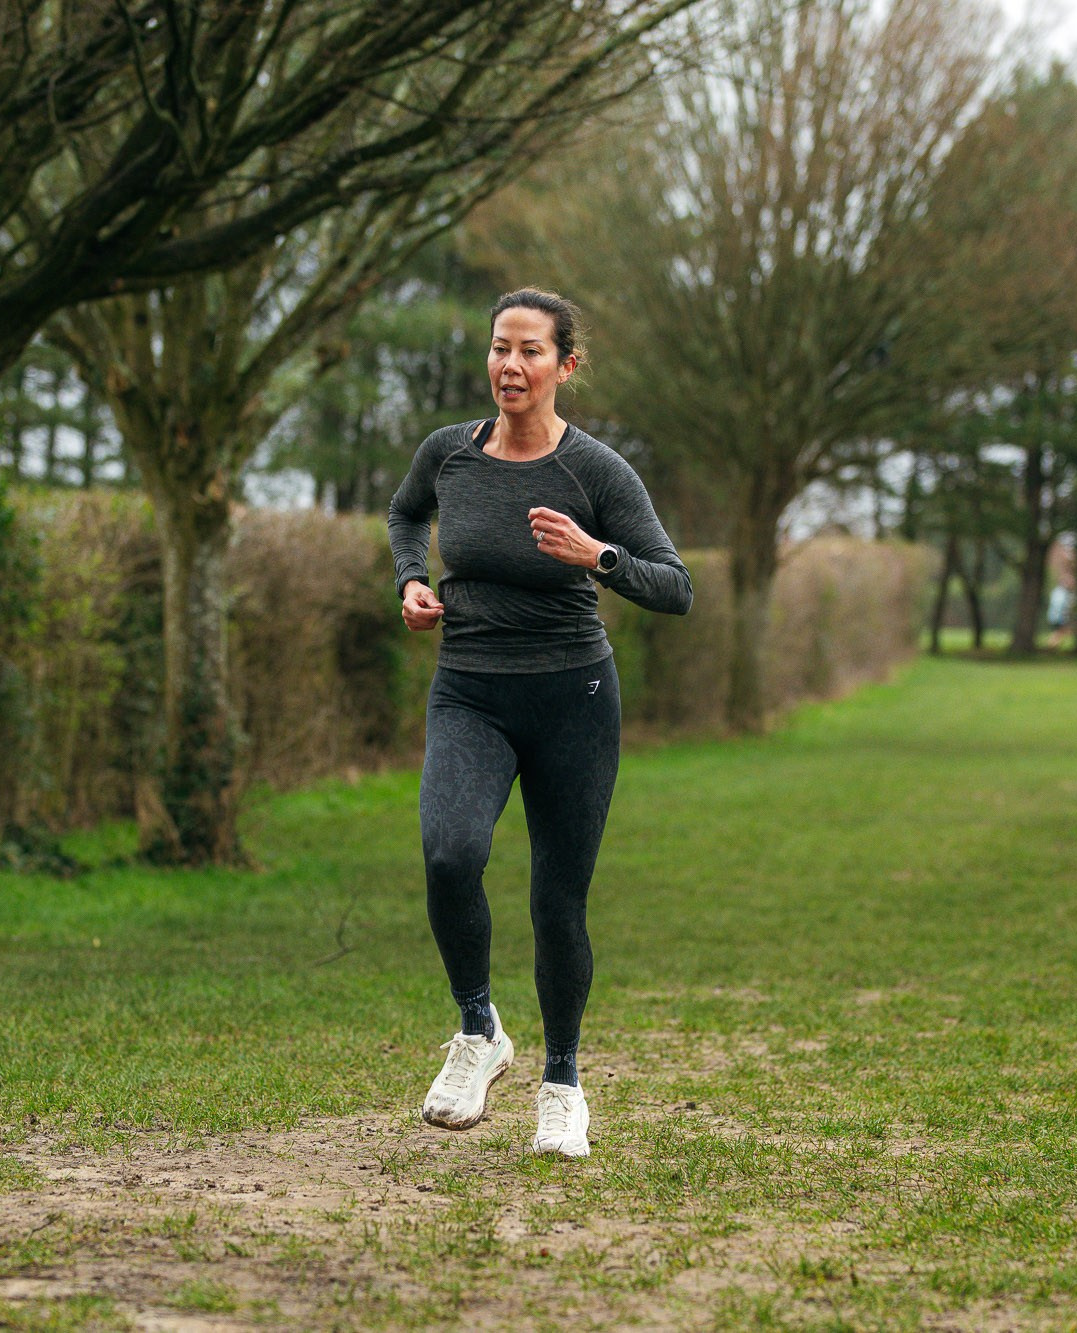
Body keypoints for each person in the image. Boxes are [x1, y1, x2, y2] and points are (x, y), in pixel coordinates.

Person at [386, 288, 692, 1159]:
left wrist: (598, 555)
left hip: (573, 698)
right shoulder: (448, 453)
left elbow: (675, 585)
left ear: (566, 364)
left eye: (529, 351)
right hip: (469, 690)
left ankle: (562, 1084)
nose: (510, 366)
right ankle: (478, 1029)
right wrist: (411, 579)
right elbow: (407, 513)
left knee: (558, 899)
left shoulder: (595, 471)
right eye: (499, 348)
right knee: (450, 853)